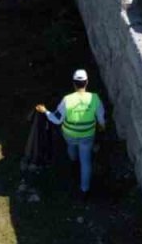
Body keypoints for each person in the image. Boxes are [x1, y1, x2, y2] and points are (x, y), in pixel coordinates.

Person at [38, 69, 106, 198]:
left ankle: (73, 161)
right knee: (86, 162)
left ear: (74, 84)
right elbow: (101, 118)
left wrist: (45, 111)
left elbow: (57, 120)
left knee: (71, 147)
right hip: (87, 136)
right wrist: (102, 128)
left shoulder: (67, 100)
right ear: (87, 82)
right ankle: (85, 190)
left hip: (70, 135)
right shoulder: (95, 98)